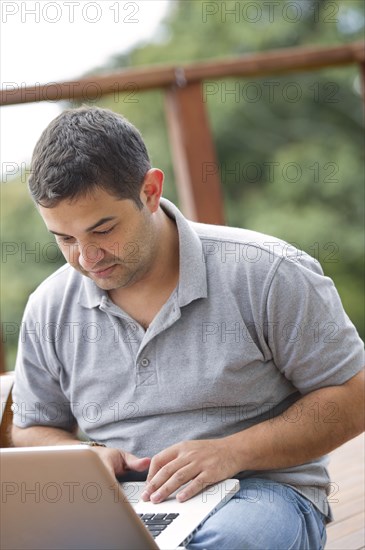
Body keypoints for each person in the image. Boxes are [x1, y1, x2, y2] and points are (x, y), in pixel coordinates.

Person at [12, 106, 364, 550]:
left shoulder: (268, 273)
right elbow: (30, 428)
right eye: (64, 239)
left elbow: (353, 396)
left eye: (102, 229)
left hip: (256, 492)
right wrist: (85, 458)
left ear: (151, 190)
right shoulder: (48, 307)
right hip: (119, 502)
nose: (86, 257)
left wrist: (232, 451)